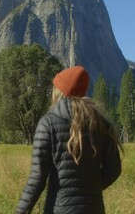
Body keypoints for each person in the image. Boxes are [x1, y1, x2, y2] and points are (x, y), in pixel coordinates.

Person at [15, 66, 122, 214]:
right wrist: (89, 189)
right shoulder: (101, 123)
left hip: (59, 208)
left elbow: (37, 179)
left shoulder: (48, 123)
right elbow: (114, 170)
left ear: (60, 91)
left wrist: (20, 211)